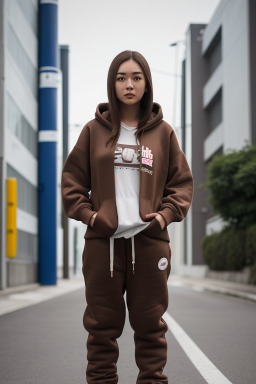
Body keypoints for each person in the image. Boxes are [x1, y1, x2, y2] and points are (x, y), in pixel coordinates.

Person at [61, 50, 194, 384]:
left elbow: (182, 184)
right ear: (112, 83)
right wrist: (92, 218)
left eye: (136, 77)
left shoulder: (163, 132)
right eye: (121, 78)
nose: (129, 84)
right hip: (102, 246)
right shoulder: (93, 131)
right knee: (101, 330)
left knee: (151, 328)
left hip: (149, 243)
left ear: (146, 83)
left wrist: (163, 217)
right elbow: (72, 184)